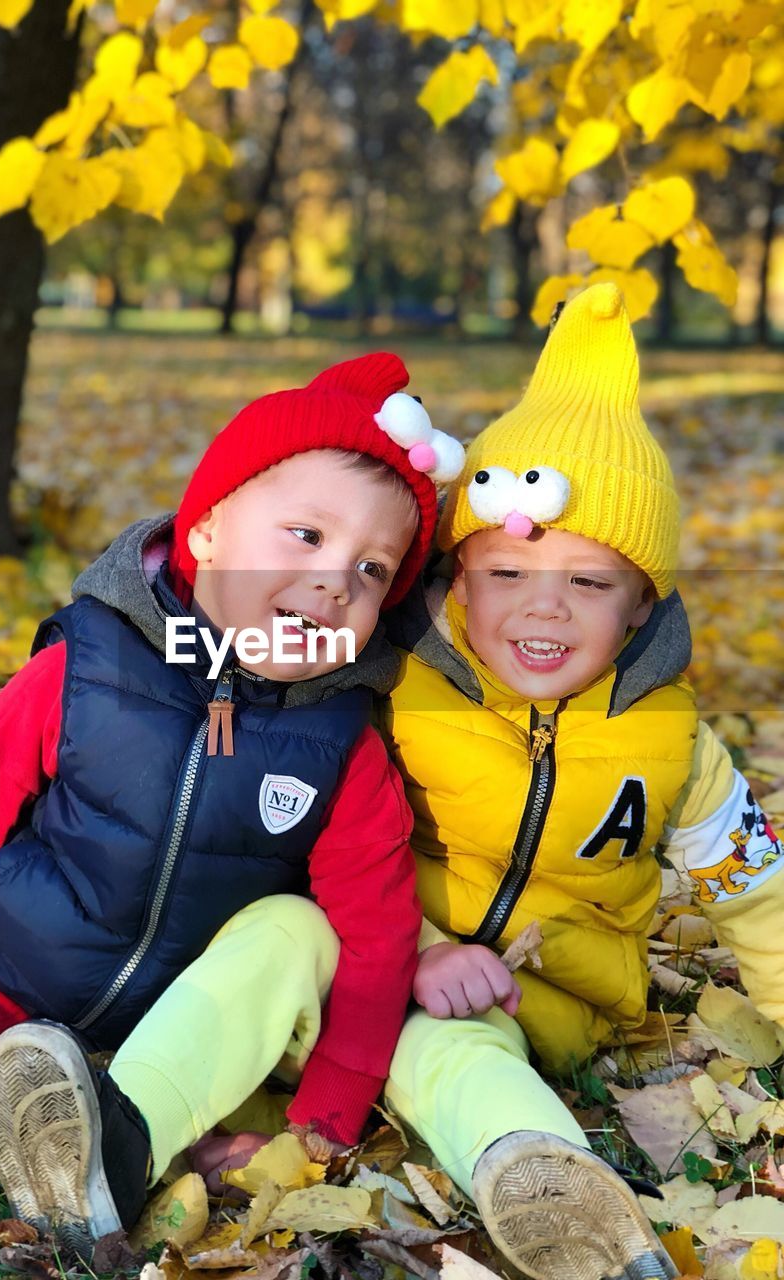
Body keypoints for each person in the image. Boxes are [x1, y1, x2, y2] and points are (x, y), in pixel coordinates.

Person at [0, 352, 466, 1257]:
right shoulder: (91, 667)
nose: (337, 580)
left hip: (38, 1012)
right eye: (304, 535)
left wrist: (319, 1129)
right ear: (205, 533)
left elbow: (373, 943)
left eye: (374, 568)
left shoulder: (339, 748)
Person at [380, 283, 784, 1280]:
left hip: (553, 1002)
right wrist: (423, 947)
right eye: (508, 576)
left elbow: (756, 890)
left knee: (451, 1046)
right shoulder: (398, 699)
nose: (543, 610)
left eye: (589, 581)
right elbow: (322, 844)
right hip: (386, 952)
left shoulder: (670, 745)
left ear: (642, 604)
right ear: (454, 582)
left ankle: (546, 1178)